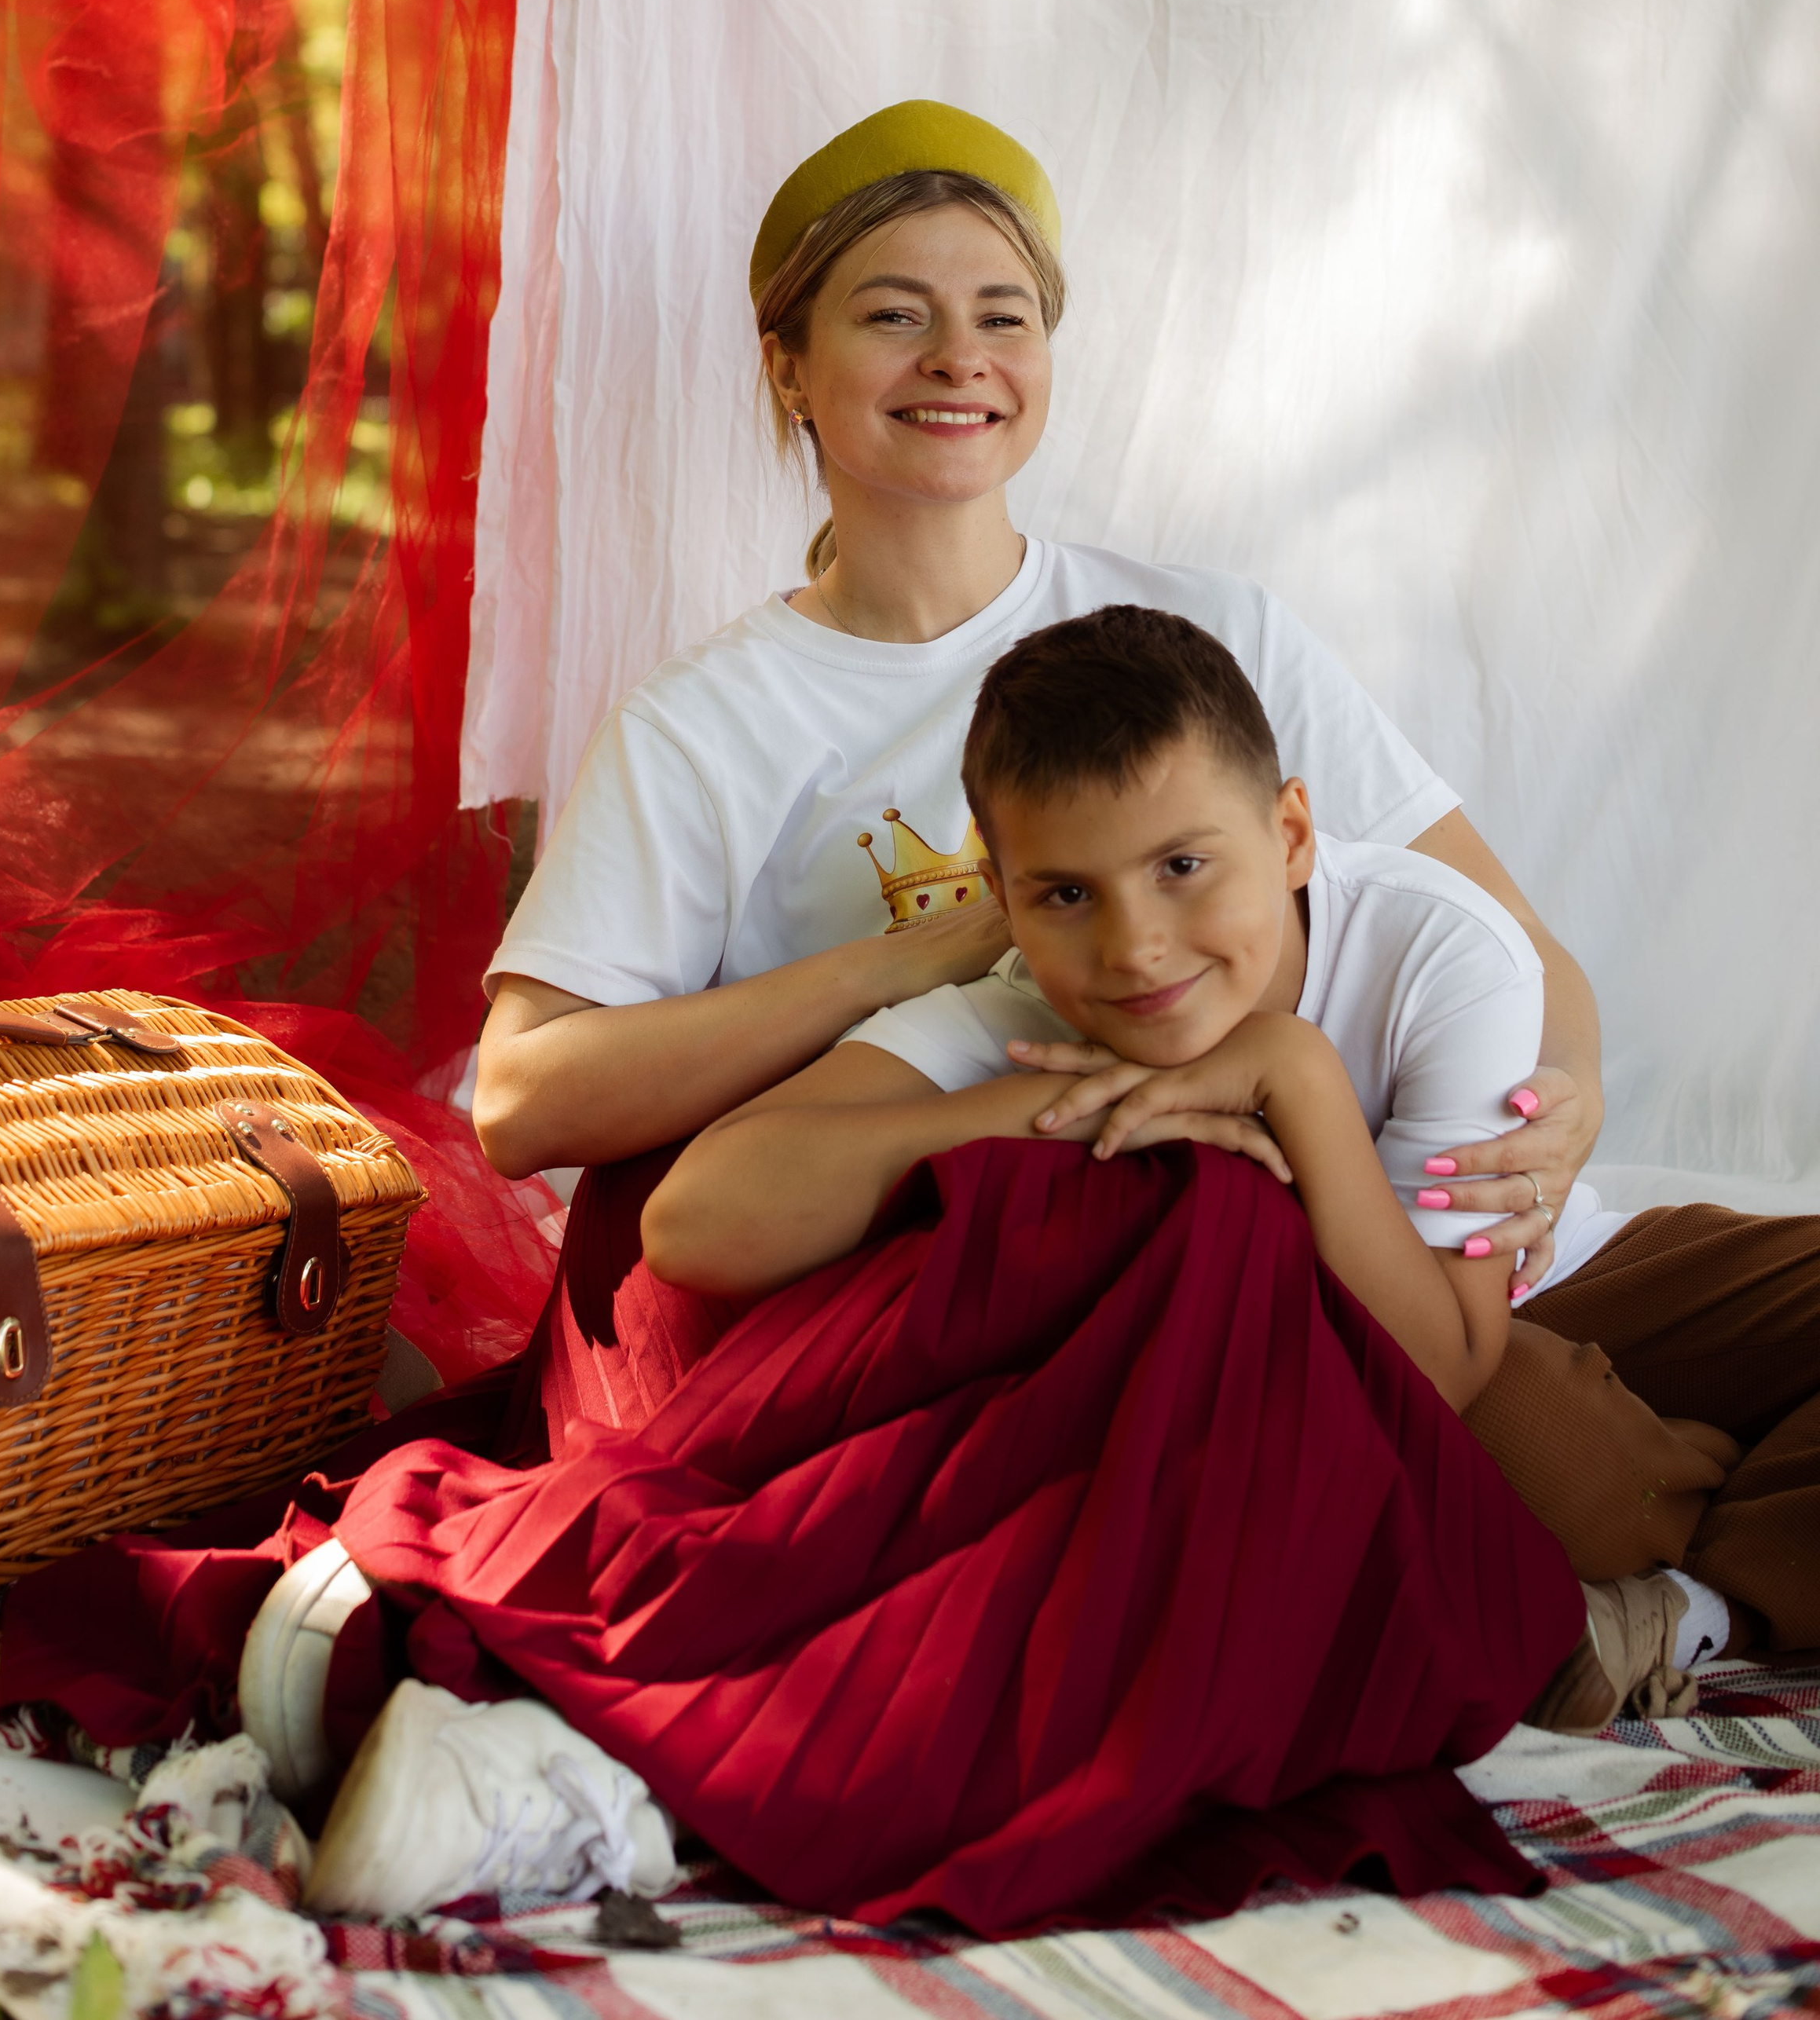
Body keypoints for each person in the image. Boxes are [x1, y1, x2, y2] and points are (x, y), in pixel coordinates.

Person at [473, 99, 1607, 1430]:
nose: (960, 359)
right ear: (787, 367)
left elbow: (1513, 944)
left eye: (1004, 317)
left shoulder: (1212, 636)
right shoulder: (701, 725)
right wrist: (924, 952)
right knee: (1538, 1451)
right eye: (896, 316)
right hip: (965, 1279)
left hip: (1331, 1230)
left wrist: (1564, 1109)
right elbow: (518, 1104)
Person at [642, 602, 1730, 1689]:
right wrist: (1066, 1102)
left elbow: (1442, 1355)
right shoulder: (1020, 1007)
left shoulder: (1440, 950)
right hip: (1368, 1366)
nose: (1135, 948)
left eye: (1182, 867)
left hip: (1541, 1272)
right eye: (1067, 895)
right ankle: (1664, 1585)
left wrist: (1290, 1068)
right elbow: (694, 1220)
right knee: (1552, 1460)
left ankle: (1688, 1575)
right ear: (1007, 907)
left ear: (1292, 836)